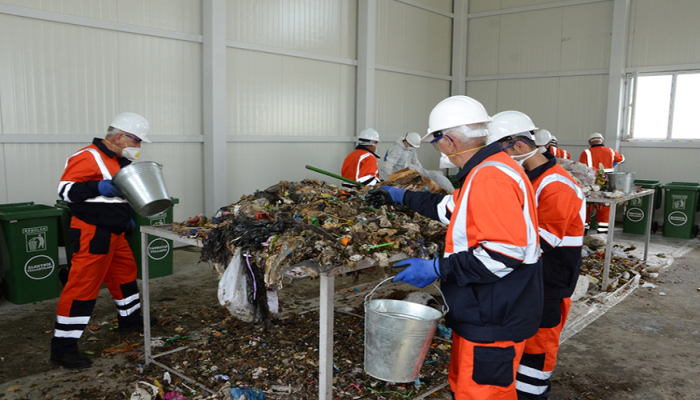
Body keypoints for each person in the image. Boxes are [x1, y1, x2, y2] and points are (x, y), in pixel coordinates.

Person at [367, 96, 543, 400]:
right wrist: (400, 196)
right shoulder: (488, 170)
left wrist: (437, 268)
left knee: (484, 394)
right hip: (483, 308)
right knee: (465, 387)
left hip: (494, 312)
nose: (438, 148)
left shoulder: (491, 177)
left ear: (449, 140)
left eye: (435, 141)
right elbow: (450, 208)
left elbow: (504, 254)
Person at [488, 111, 585, 399]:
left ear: (518, 146)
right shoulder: (529, 178)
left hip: (549, 283)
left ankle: (532, 395)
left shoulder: (556, 185)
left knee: (537, 350)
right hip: (531, 279)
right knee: (522, 345)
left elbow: (542, 241)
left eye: (499, 152)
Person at [51, 112, 154, 369]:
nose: (138, 147)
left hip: (115, 231)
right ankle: (63, 349)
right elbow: (65, 190)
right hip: (93, 231)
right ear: (119, 136)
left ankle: (130, 321)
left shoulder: (119, 161)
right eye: (137, 141)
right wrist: (97, 187)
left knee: (125, 276)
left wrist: (124, 216)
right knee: (83, 286)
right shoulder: (88, 156)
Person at [579, 132, 625, 233]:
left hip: (591, 182)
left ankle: (584, 230)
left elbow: (581, 169)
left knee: (588, 204)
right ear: (602, 141)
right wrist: (612, 164)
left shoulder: (586, 152)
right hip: (608, 182)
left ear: (590, 142)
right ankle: (603, 232)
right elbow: (622, 159)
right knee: (604, 204)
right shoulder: (611, 151)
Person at [381, 132, 455, 192]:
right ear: (406, 141)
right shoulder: (396, 150)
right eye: (411, 145)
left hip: (406, 175)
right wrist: (390, 179)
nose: (412, 147)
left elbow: (416, 162)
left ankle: (452, 192)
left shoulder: (411, 149)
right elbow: (388, 165)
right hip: (396, 177)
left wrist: (421, 173)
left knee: (434, 175)